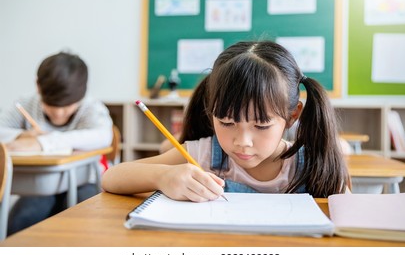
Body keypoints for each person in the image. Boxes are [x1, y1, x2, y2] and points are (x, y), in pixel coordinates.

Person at [102, 40, 350, 202]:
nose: (242, 142)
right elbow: (111, 177)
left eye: (261, 125)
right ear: (211, 111)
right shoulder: (206, 153)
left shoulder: (313, 164)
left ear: (292, 115)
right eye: (227, 122)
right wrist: (162, 177)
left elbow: (350, 216)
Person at [0, 51, 113, 235]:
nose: (59, 114)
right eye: (51, 106)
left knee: (88, 225)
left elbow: (102, 136)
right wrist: (24, 136)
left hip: (83, 181)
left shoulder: (91, 107)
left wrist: (44, 142)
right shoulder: (27, 103)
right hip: (39, 185)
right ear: (38, 87)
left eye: (67, 107)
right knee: (18, 224)